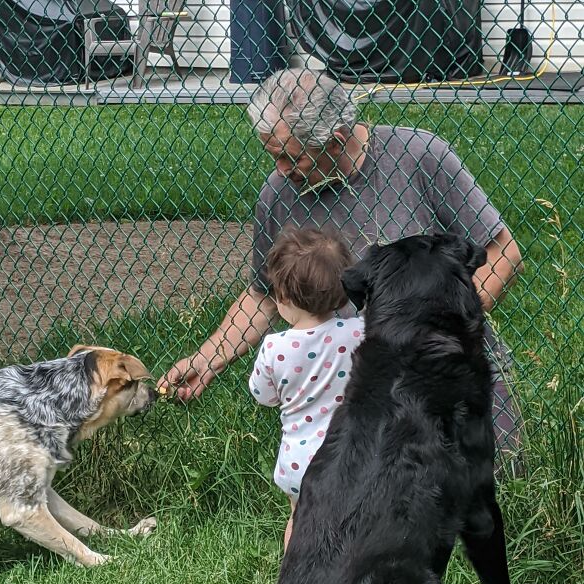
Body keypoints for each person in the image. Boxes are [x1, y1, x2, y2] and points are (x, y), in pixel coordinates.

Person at [159, 67, 524, 473]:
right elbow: (264, 295)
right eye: (272, 155)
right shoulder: (279, 194)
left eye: (289, 156)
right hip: (346, 388)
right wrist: (208, 358)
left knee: (498, 477)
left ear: (336, 141)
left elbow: (502, 251)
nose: (280, 169)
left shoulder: (421, 156)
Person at [248, 227, 364, 550]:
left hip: (299, 462)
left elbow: (263, 395)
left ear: (284, 298)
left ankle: (294, 582)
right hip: (349, 457)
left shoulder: (275, 349)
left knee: (299, 522)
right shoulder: (359, 332)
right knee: (350, 527)